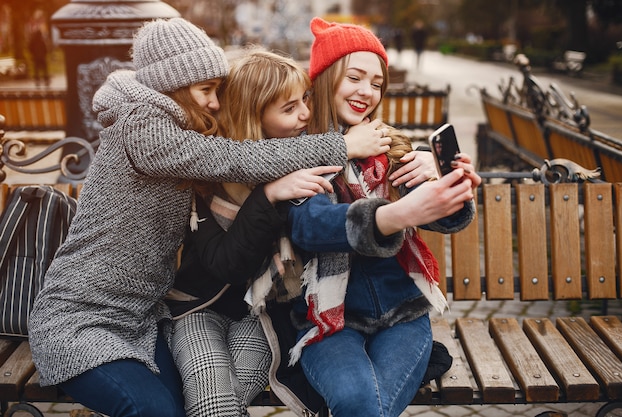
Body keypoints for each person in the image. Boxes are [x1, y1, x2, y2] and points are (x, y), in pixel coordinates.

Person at [27, 17, 395, 417]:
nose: (216, 102)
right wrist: (340, 146)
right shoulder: (142, 129)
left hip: (144, 318)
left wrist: (420, 161)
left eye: (217, 90)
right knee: (157, 411)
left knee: (192, 405)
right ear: (174, 86)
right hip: (82, 318)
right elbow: (239, 158)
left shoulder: (180, 127)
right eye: (206, 90)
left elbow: (254, 128)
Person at [273, 17, 481, 417]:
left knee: (364, 406)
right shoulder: (296, 152)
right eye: (354, 78)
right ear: (324, 78)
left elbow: (447, 219)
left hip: (403, 316)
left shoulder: (393, 148)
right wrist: (393, 215)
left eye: (376, 83)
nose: (366, 92)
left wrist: (453, 190)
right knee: (357, 402)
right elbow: (309, 227)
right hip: (327, 322)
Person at [166, 48, 335, 417]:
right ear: (251, 118)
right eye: (288, 108)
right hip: (197, 307)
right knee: (212, 394)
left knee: (222, 403)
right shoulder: (205, 177)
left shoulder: (309, 154)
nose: (306, 113)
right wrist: (269, 194)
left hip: (261, 313)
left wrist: (421, 157)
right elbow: (225, 265)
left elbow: (372, 142)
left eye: (304, 99)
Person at [27, 10, 50, 87]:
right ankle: (45, 79)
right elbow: (45, 44)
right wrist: (45, 52)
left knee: (37, 67)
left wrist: (32, 52)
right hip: (41, 54)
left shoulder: (33, 39)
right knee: (43, 66)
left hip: (36, 54)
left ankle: (38, 80)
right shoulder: (40, 38)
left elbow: (30, 46)